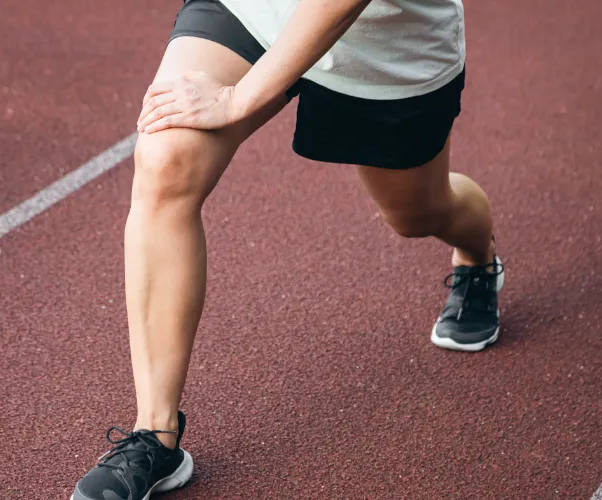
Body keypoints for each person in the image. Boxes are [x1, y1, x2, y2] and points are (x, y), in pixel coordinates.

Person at [70, 0, 505, 498]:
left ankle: (477, 255)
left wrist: (239, 98)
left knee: (418, 212)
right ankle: (155, 435)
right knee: (167, 155)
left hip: (385, 39)